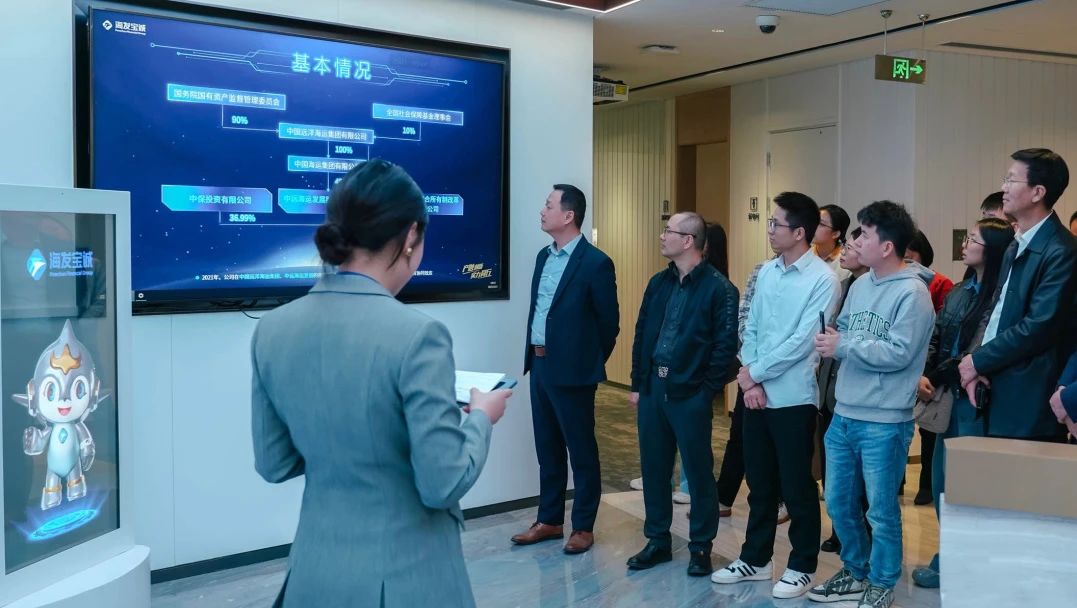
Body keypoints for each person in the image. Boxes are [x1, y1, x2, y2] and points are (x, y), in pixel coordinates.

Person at [250, 159, 511, 608]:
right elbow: (443, 483)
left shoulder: (271, 329)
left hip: (313, 574)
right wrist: (481, 418)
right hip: (405, 579)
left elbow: (275, 463)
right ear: (411, 236)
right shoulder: (419, 335)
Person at [712, 192, 839, 599]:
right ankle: (756, 558)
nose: (769, 230)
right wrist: (750, 380)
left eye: (775, 224)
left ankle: (802, 566)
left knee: (797, 486)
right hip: (755, 394)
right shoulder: (766, 271)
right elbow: (750, 326)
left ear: (799, 232)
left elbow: (803, 341)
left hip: (793, 398)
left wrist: (755, 375)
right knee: (760, 482)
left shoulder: (824, 280)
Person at [810, 201, 935, 608]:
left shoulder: (913, 293)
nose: (856, 241)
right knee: (839, 503)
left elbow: (900, 352)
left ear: (887, 246)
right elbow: (845, 329)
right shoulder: (861, 285)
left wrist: (844, 345)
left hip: (884, 420)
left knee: (881, 512)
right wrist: (834, 337)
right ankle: (855, 570)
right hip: (844, 413)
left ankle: (882, 581)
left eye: (864, 234)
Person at [626, 212, 738, 577]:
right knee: (655, 468)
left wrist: (706, 392)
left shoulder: (719, 289)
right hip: (654, 388)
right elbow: (642, 334)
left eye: (668, 231)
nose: (662, 236)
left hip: (691, 393)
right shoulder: (658, 283)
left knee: (698, 471)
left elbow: (725, 347)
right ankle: (657, 540)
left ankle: (701, 546)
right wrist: (638, 383)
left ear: (688, 240)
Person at [513, 184, 620, 555]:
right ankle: (549, 520)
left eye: (549, 205)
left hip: (574, 372)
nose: (542, 211)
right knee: (548, 447)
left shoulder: (595, 263)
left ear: (569, 215)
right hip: (539, 364)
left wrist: (586, 361)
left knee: (581, 451)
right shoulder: (543, 257)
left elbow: (609, 324)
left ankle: (583, 526)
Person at [910, 217, 1015, 589]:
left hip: (975, 400)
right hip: (946, 398)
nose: (965, 244)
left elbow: (979, 349)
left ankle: (969, 564)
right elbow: (936, 334)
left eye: (973, 239)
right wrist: (924, 372)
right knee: (942, 483)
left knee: (970, 485)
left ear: (993, 251)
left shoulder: (1003, 295)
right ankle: (951, 556)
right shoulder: (957, 291)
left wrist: (939, 374)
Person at [959, 149, 1077, 441]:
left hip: (1028, 395)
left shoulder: (1062, 250)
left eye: (1011, 180)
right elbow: (996, 310)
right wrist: (977, 361)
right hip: (996, 381)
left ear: (1038, 192)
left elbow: (1039, 325)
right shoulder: (1015, 244)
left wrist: (979, 361)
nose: (1003, 188)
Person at [818, 227, 868, 554]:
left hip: (858, 395)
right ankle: (840, 531)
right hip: (830, 389)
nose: (846, 251)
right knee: (832, 471)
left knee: (861, 481)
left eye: (852, 246)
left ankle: (861, 540)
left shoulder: (881, 290)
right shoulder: (844, 285)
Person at [903, 230, 953, 506]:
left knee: (928, 428)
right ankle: (898, 482)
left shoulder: (940, 283)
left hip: (928, 364)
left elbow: (941, 331)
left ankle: (926, 483)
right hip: (904, 364)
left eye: (911, 251)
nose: (906, 256)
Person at [813, 204, 852, 282]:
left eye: (821, 224)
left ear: (835, 234)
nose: (813, 226)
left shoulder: (846, 261)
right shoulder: (803, 253)